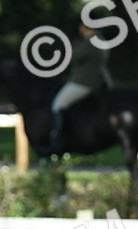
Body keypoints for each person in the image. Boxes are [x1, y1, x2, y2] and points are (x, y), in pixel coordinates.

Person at [47, 23, 114, 156]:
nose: (80, 29)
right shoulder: (101, 40)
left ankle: (58, 140)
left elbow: (72, 57)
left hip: (84, 82)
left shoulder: (89, 42)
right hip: (100, 80)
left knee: (58, 104)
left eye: (82, 26)